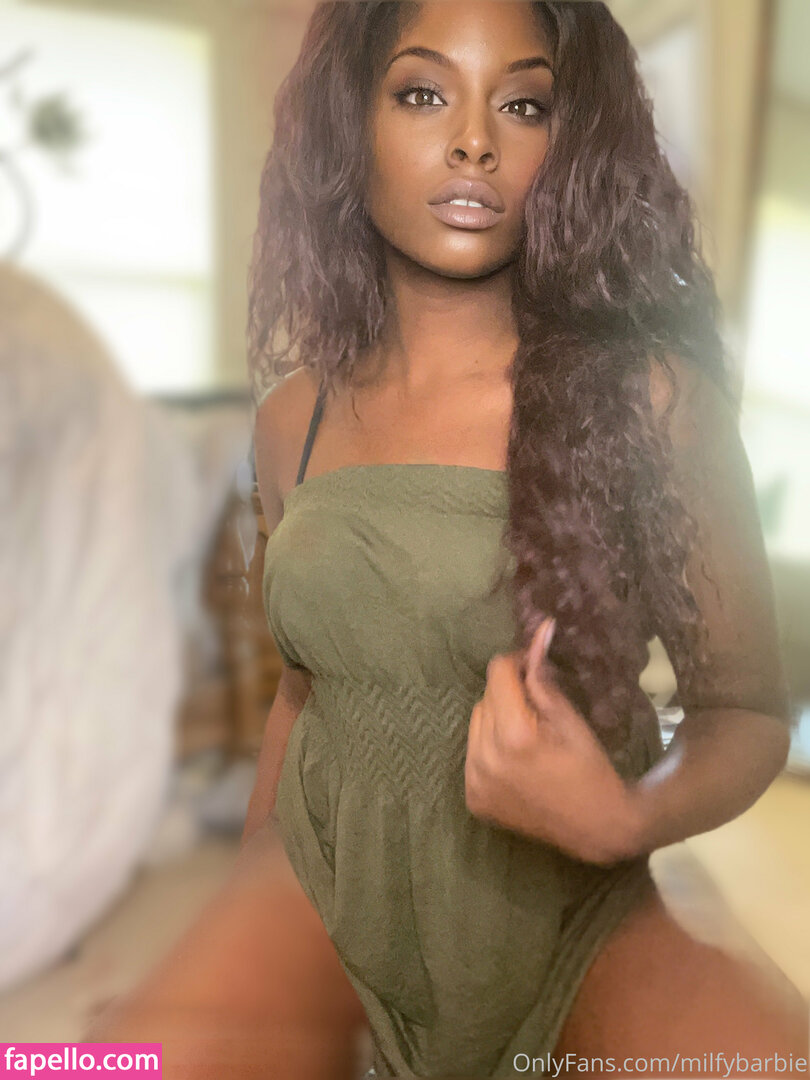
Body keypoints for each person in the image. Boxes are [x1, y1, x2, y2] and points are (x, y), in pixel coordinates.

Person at [89, 3, 807, 1078]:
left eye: (524, 105)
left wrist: (622, 819)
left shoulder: (653, 401)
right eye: (423, 93)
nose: (474, 140)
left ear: (571, 144)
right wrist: (237, 929)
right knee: (101, 1066)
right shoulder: (292, 417)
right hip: (321, 887)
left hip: (568, 918)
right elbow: (301, 691)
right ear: (354, 124)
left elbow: (745, 710)